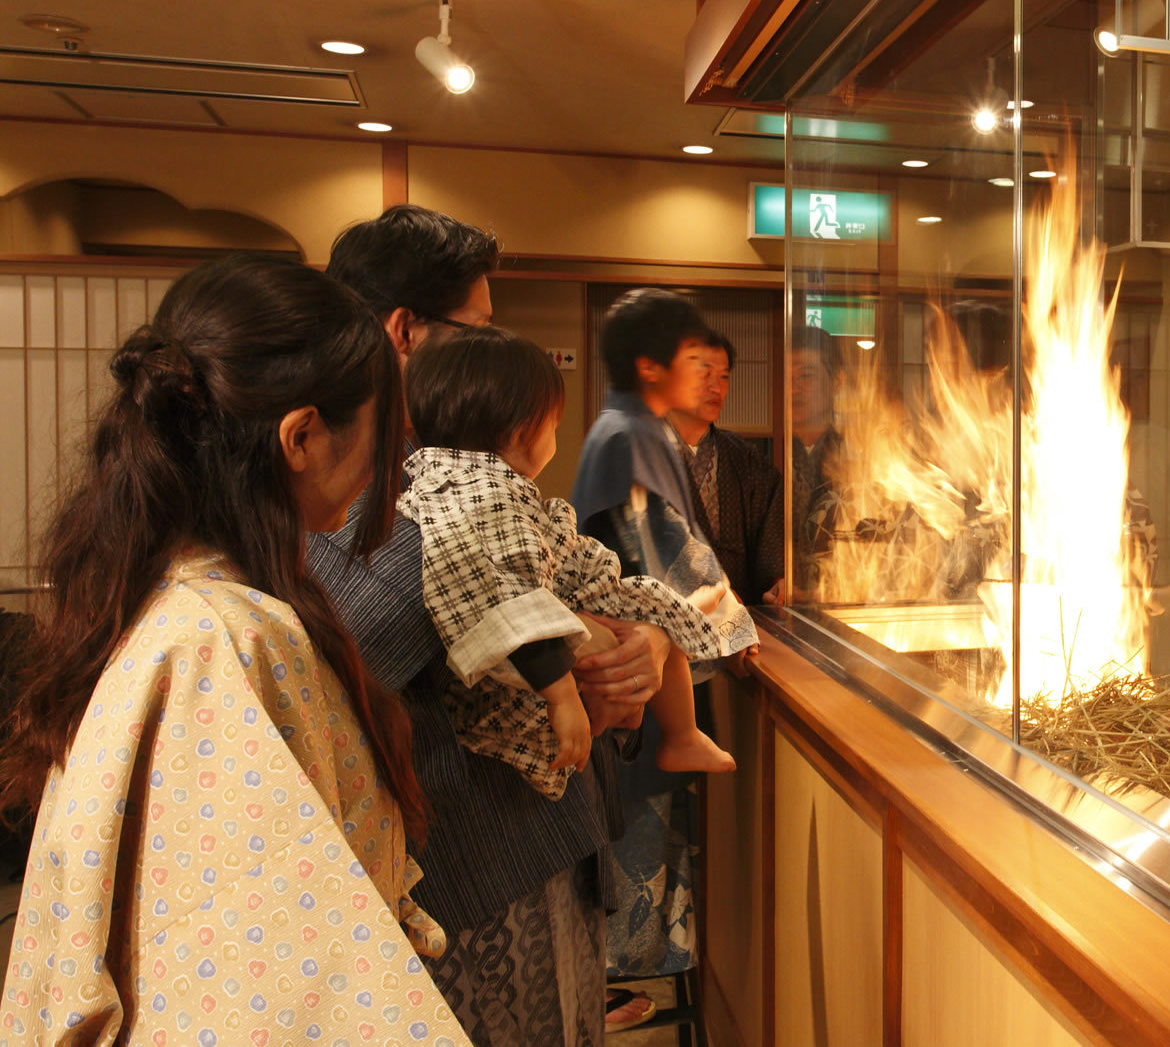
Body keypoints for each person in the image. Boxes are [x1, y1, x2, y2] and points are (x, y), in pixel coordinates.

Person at [0, 255, 466, 1042]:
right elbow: (265, 993)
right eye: (385, 436)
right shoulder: (225, 637)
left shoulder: (168, 595)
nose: (386, 468)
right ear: (303, 436)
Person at [316, 205, 667, 1041]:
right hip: (457, 872)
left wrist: (640, 642)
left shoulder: (466, 464)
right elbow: (347, 650)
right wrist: (564, 631)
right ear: (405, 330)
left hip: (545, 839)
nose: (490, 345)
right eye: (476, 327)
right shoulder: (340, 467)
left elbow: (571, 573)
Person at [400, 326, 740, 795]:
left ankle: (669, 724)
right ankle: (674, 729)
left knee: (656, 606)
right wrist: (561, 694)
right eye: (554, 425)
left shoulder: (463, 483)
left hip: (574, 613)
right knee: (654, 609)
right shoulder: (481, 495)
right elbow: (509, 602)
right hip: (528, 685)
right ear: (523, 430)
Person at [571, 289, 759, 981]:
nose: (708, 372)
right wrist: (729, 617)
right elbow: (663, 555)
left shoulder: (633, 428)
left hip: (640, 663)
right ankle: (628, 981)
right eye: (694, 359)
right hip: (636, 671)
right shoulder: (629, 434)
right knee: (639, 831)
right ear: (652, 367)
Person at [660, 327, 785, 603]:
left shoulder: (744, 458)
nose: (716, 387)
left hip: (743, 624)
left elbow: (770, 535)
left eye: (724, 376)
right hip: (670, 625)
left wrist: (777, 580)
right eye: (703, 374)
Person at [790, 324, 846, 600]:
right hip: (777, 607)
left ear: (837, 381)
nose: (793, 388)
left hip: (846, 603)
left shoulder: (858, 458)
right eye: (786, 377)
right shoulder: (762, 461)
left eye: (806, 375)